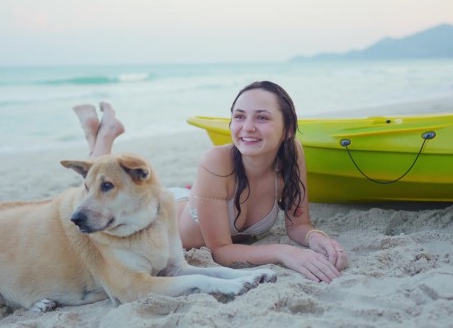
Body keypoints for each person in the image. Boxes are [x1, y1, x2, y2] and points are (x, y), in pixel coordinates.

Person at [73, 81, 347, 283]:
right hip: (164, 210)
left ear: (287, 130)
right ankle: (103, 134)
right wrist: (285, 253)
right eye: (239, 116)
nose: (247, 127)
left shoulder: (292, 152)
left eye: (261, 118)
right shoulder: (216, 162)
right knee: (94, 193)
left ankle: (100, 133)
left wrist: (316, 238)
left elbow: (298, 224)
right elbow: (221, 252)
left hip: (197, 197)